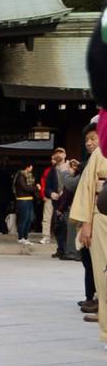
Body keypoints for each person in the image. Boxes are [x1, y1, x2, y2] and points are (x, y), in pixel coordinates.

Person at [70, 126, 106, 347]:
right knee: (103, 271)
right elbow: (86, 188)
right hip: (102, 215)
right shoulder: (100, 154)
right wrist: (86, 222)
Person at [40, 148, 66, 246]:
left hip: (67, 199)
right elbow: (46, 185)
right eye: (55, 154)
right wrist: (48, 194)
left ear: (65, 155)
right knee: (48, 217)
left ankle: (64, 243)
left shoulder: (71, 166)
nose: (57, 156)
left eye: (60, 153)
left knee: (64, 220)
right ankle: (46, 236)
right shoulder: (50, 170)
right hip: (52, 198)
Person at [13, 162, 38, 249]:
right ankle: (21, 237)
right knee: (23, 219)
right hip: (22, 200)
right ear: (27, 167)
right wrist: (36, 188)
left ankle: (25, 237)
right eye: (31, 166)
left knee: (29, 219)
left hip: (29, 199)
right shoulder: (20, 176)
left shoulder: (29, 176)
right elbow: (25, 188)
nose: (32, 168)